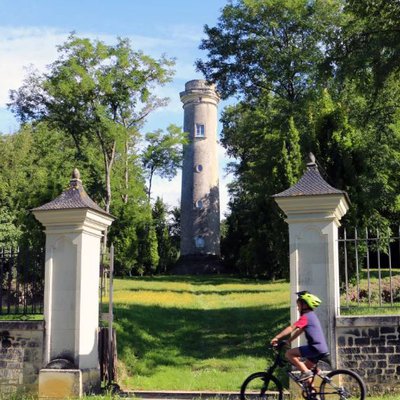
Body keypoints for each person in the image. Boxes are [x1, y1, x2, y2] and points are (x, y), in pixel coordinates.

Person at [270, 291, 329, 382]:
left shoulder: (306, 317)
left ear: (304, 305)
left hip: (314, 348)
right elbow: (300, 330)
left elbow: (291, 328)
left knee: (289, 354)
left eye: (298, 306)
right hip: (321, 348)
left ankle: (307, 372)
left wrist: (277, 337)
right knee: (305, 369)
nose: (297, 309)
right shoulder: (311, 316)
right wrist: (289, 340)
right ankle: (312, 393)